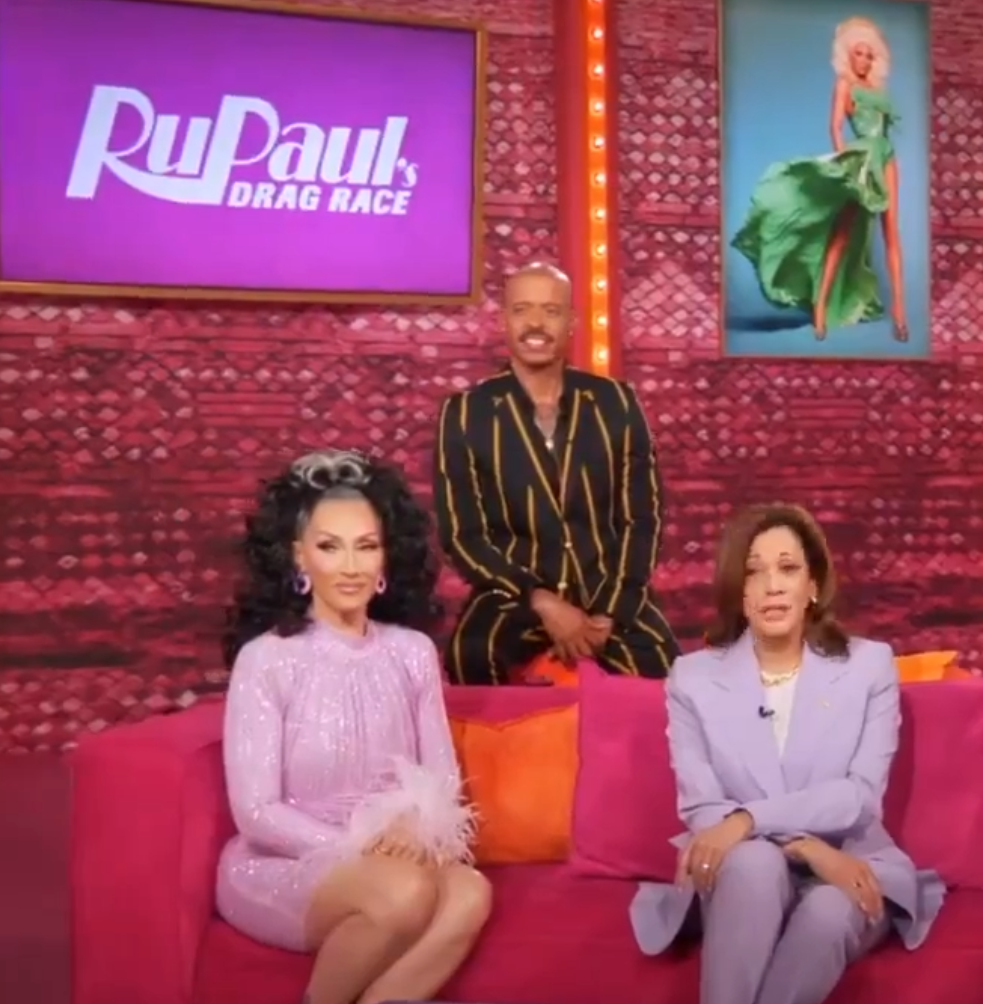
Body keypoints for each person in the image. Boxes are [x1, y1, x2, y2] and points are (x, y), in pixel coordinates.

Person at [629, 503, 944, 1004]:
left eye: (788, 568)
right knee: (754, 863)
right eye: (754, 572)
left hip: (850, 858)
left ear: (812, 585)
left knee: (828, 912)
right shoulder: (692, 679)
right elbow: (703, 807)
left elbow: (857, 797)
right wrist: (799, 846)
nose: (772, 586)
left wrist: (748, 820)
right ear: (739, 592)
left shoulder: (869, 666)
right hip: (741, 867)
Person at [216, 450, 490, 1004]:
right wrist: (361, 846)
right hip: (283, 862)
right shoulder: (267, 659)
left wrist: (418, 825)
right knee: (403, 892)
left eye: (366, 546)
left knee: (470, 893)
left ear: (386, 557)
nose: (350, 566)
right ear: (299, 556)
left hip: (390, 856)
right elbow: (257, 813)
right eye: (329, 546)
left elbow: (441, 778)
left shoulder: (412, 652)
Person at [433, 261, 679, 684]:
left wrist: (608, 612)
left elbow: (642, 519)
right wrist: (542, 600)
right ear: (504, 320)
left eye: (551, 311)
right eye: (522, 309)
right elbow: (463, 536)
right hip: (514, 597)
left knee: (669, 674)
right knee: (470, 655)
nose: (536, 323)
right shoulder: (466, 412)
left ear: (571, 322)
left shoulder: (615, 402)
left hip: (607, 593)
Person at [730, 17, 911, 341]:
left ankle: (900, 312)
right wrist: (844, 163)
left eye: (869, 55)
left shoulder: (878, 89)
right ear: (848, 56)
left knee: (891, 233)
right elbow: (835, 126)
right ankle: (820, 310)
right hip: (860, 160)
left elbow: (883, 129)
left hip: (886, 157)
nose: (863, 60)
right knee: (841, 233)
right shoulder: (844, 84)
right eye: (858, 53)